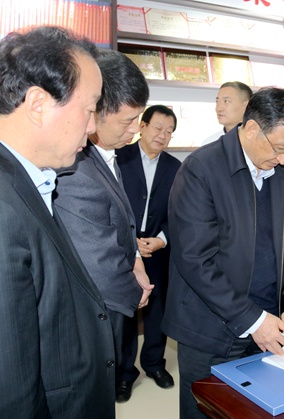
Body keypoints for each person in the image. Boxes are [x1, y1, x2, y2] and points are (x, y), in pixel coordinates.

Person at [162, 87, 284, 418]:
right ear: (252, 128)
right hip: (210, 327)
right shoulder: (201, 168)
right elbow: (195, 259)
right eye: (280, 147)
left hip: (270, 324)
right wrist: (252, 319)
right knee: (206, 411)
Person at [0, 26, 115, 418]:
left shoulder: (28, 179)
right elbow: (12, 386)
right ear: (38, 103)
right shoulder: (4, 211)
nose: (93, 127)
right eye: (90, 109)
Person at [54, 49, 154, 403]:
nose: (135, 129)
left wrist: (136, 261)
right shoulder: (74, 167)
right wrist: (134, 290)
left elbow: (120, 220)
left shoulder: (102, 153)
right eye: (128, 120)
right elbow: (96, 256)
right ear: (95, 111)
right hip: (91, 311)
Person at [116, 105, 182, 398]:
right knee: (126, 312)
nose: (162, 135)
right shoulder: (119, 157)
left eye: (169, 131)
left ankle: (154, 363)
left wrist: (163, 239)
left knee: (157, 310)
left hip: (157, 250)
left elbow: (180, 212)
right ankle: (124, 373)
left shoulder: (176, 167)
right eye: (158, 127)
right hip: (122, 249)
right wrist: (130, 241)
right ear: (142, 126)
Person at [193, 81, 253, 147]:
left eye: (226, 101)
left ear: (246, 105)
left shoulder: (258, 139)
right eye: (217, 101)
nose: (219, 108)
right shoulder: (209, 144)